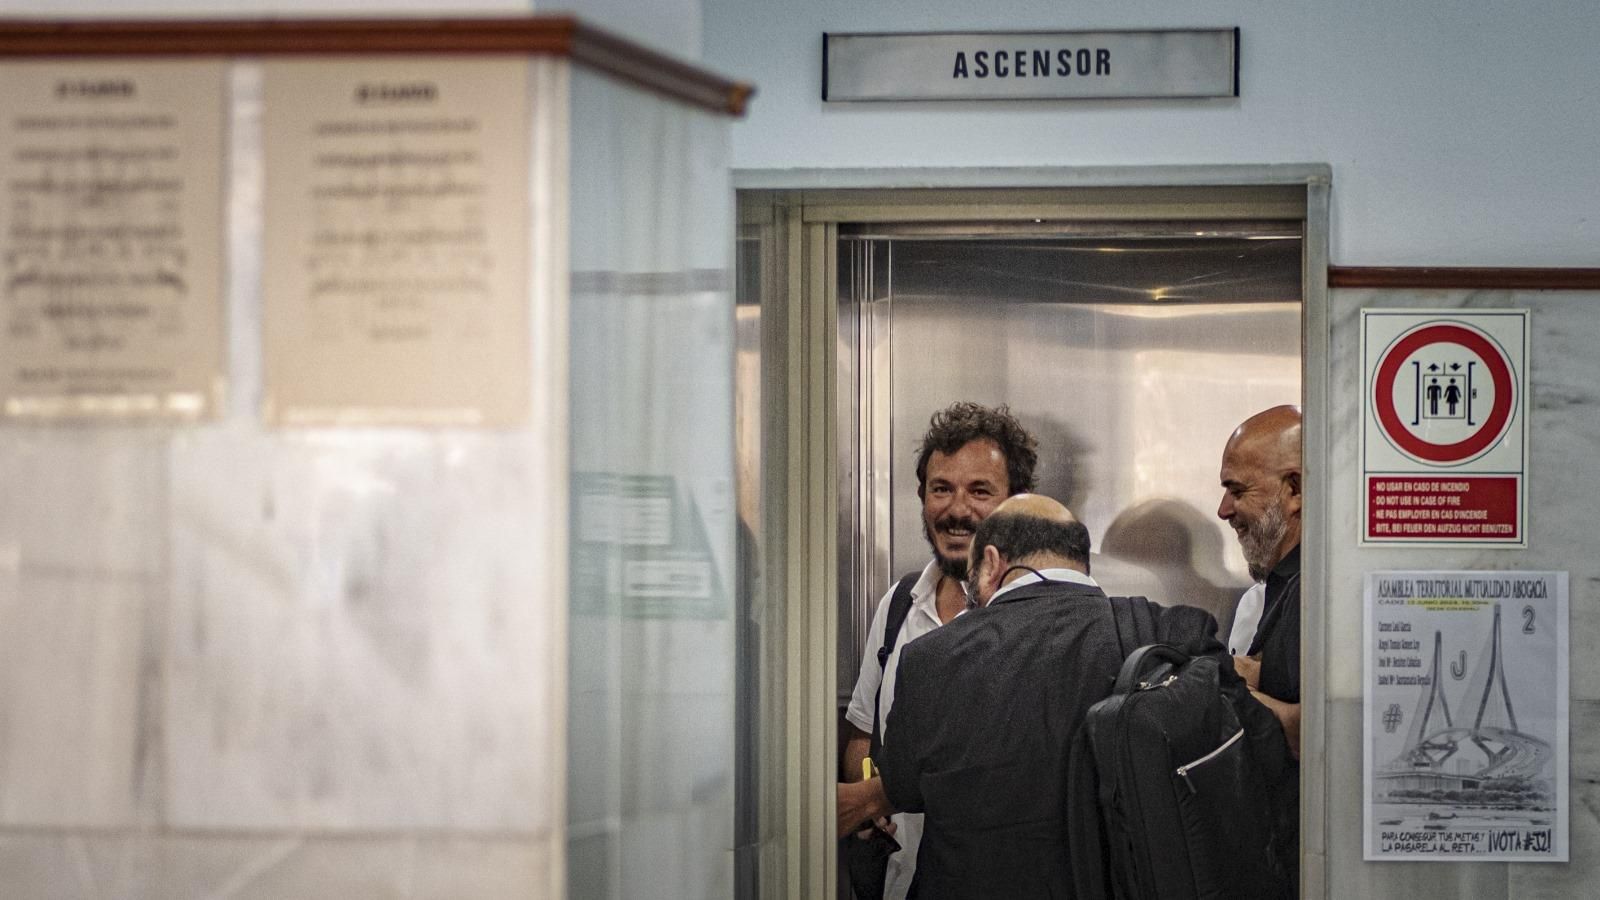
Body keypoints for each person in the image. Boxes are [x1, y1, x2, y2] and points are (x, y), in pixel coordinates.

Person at [878, 494, 1227, 899]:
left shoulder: (927, 658)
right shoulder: (1171, 633)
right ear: (1080, 560)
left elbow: (902, 787)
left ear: (990, 563)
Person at [835, 402, 1038, 900]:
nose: (956, 509)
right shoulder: (900, 603)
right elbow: (863, 732)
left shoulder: (1040, 620)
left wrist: (875, 796)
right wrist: (870, 800)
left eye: (980, 491)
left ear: (1019, 504)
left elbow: (1024, 777)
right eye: (941, 489)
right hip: (897, 882)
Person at [1217, 404, 1303, 888]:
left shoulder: (1317, 597)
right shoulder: (1279, 589)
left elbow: (1317, 736)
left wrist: (1219, 680)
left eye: (1237, 490)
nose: (1224, 510)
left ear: (1294, 489)